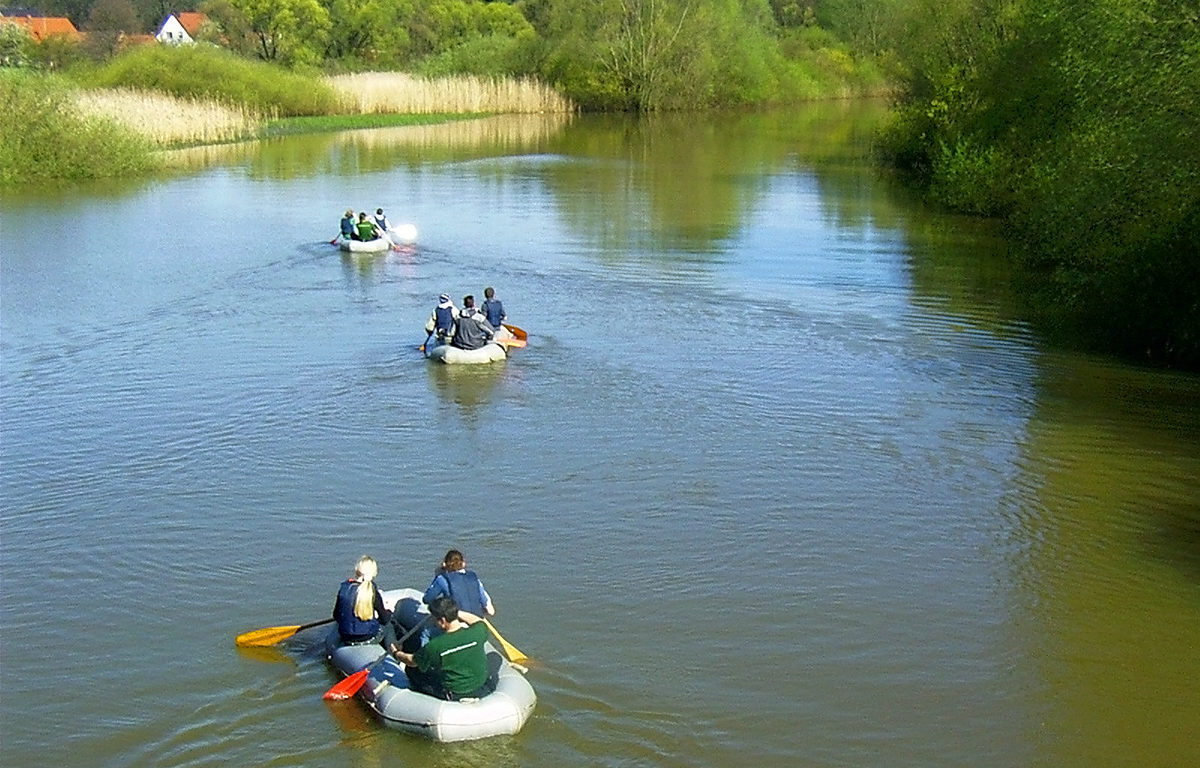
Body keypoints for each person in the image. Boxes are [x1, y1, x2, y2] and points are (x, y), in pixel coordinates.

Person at [390, 596, 501, 701]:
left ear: (442, 621)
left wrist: (396, 653)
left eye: (434, 620)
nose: (433, 623)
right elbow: (477, 620)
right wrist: (454, 612)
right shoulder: (478, 631)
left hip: (455, 692)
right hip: (479, 686)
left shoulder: (435, 646)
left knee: (413, 671)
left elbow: (412, 661)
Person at [332, 555, 392, 644]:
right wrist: (389, 613)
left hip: (346, 636)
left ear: (357, 571)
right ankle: (394, 650)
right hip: (368, 636)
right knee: (389, 626)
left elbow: (336, 616)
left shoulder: (344, 588)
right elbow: (384, 619)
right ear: (374, 573)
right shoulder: (372, 591)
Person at [423, 549, 495, 618]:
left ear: (445, 564)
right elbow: (488, 607)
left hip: (457, 621)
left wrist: (438, 574)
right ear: (463, 564)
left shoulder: (442, 579)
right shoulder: (474, 578)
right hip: (476, 619)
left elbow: (426, 599)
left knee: (427, 629)